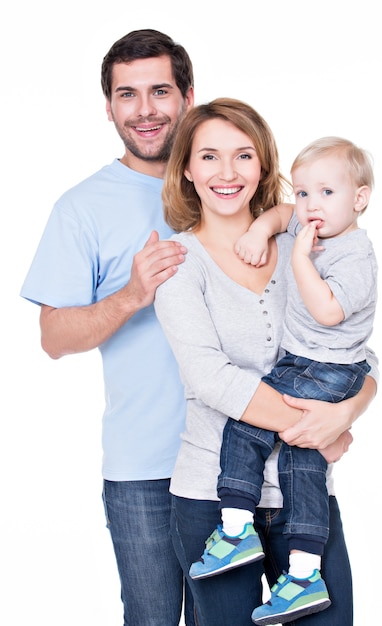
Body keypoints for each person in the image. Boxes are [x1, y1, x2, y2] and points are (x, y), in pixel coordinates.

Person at [154, 98, 379, 626]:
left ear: (263, 166)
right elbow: (212, 379)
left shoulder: (308, 245)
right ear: (187, 168)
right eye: (209, 157)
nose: (227, 173)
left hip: (305, 496)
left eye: (244, 156)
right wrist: (318, 430)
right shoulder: (180, 266)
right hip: (212, 498)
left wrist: (347, 414)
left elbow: (358, 351)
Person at [20, 29, 196, 626]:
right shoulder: (82, 207)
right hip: (143, 468)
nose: (145, 110)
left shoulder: (228, 186)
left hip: (240, 462)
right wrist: (130, 296)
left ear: (188, 97)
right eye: (128, 94)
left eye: (159, 91)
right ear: (109, 106)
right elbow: (52, 338)